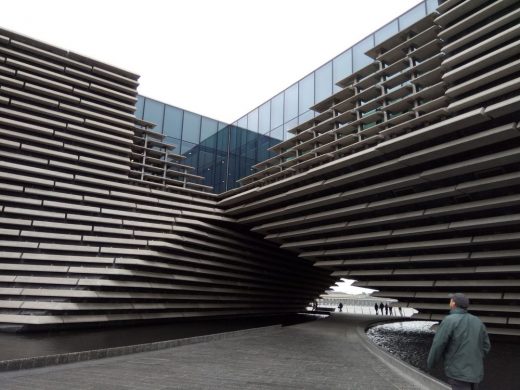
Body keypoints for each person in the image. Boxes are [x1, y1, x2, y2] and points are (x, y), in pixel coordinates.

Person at [427, 293, 491, 390]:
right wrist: (475, 359)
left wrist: (431, 363)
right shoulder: (478, 321)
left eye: (451, 300)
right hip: (475, 372)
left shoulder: (449, 320)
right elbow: (486, 346)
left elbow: (439, 344)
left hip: (458, 372)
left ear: (453, 303)